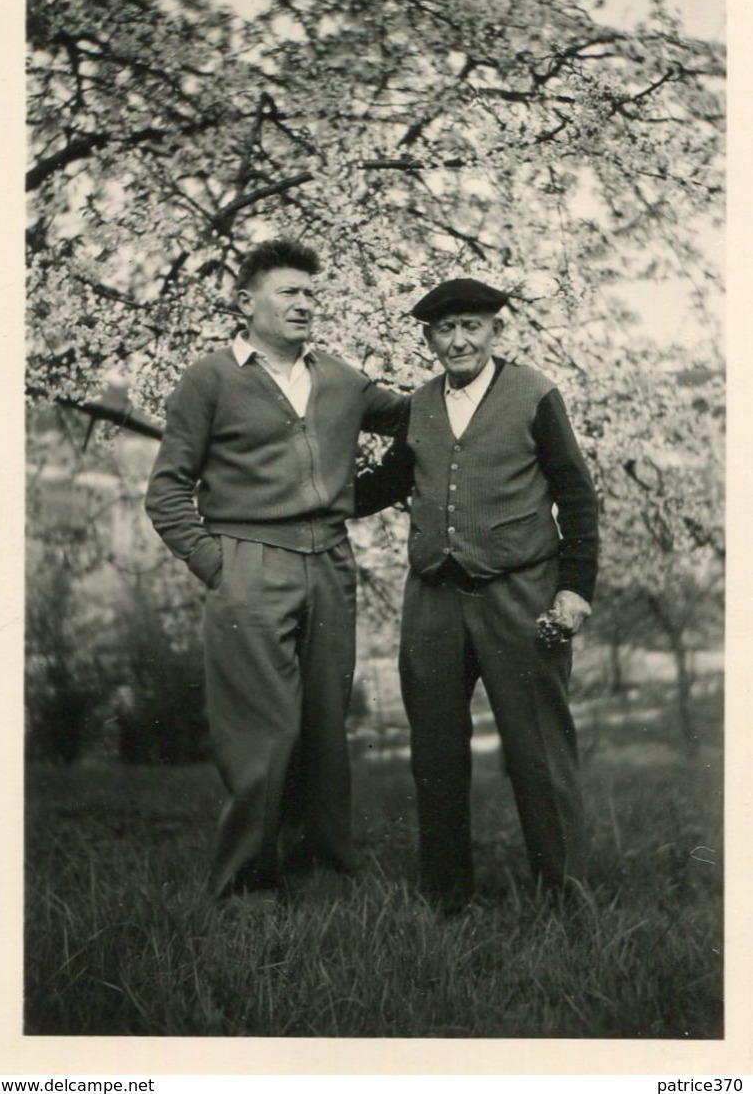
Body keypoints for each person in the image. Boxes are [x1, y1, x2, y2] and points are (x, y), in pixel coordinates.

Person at [145, 238, 406, 902]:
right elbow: (167, 490)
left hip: (331, 562)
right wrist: (219, 565)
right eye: (289, 291)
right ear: (246, 302)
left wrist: (369, 492)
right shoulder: (209, 378)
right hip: (249, 562)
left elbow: (419, 420)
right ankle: (244, 888)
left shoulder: (340, 378)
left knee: (324, 725)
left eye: (312, 294)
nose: (305, 303)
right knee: (263, 733)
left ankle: (323, 873)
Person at [355, 278, 598, 914]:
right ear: (429, 339)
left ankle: (567, 900)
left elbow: (575, 493)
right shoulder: (420, 404)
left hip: (520, 592)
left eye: (471, 326)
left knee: (538, 750)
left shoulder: (535, 393)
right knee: (434, 750)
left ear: (495, 330)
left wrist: (575, 590)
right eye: (444, 330)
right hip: (433, 595)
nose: (458, 340)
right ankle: (445, 900)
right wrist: (303, 500)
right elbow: (388, 482)